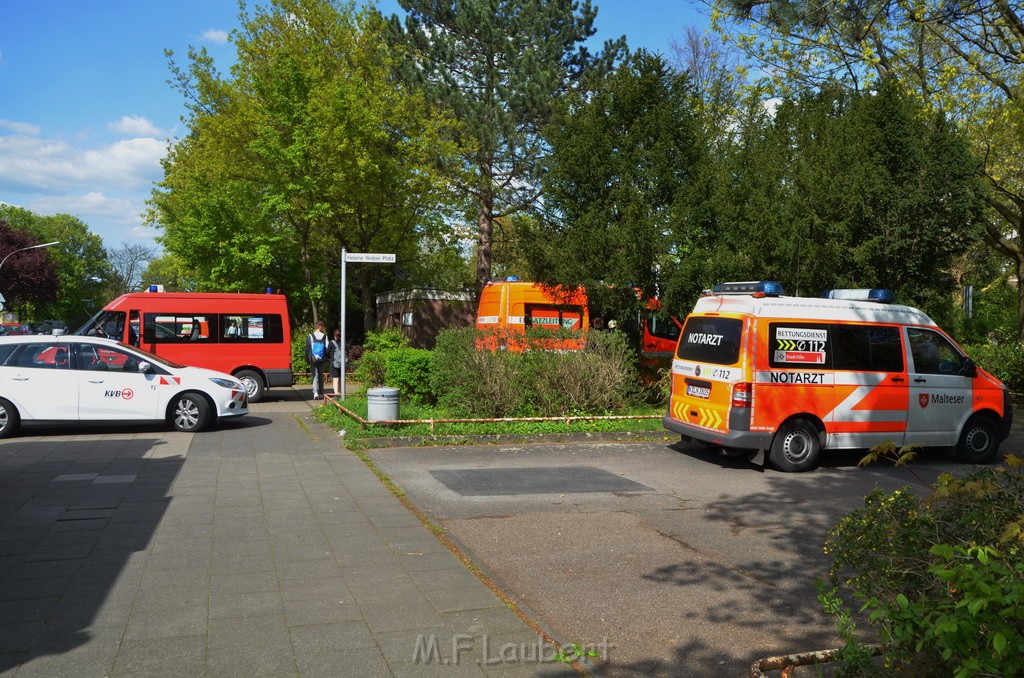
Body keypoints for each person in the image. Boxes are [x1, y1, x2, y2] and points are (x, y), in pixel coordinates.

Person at [305, 321, 329, 400]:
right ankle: (321, 393)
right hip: (322, 359)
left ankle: (315, 393)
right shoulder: (325, 336)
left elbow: (307, 349)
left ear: (316, 327)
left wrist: (307, 359)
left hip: (313, 359)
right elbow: (327, 348)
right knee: (321, 375)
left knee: (315, 376)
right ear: (321, 327)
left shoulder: (310, 336)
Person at [328, 328, 343, 396]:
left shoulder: (331, 343)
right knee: (340, 378)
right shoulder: (343, 342)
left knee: (335, 379)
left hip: (334, 363)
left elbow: (327, 352)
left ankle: (336, 393)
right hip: (342, 363)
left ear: (334, 335)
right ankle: (340, 392)